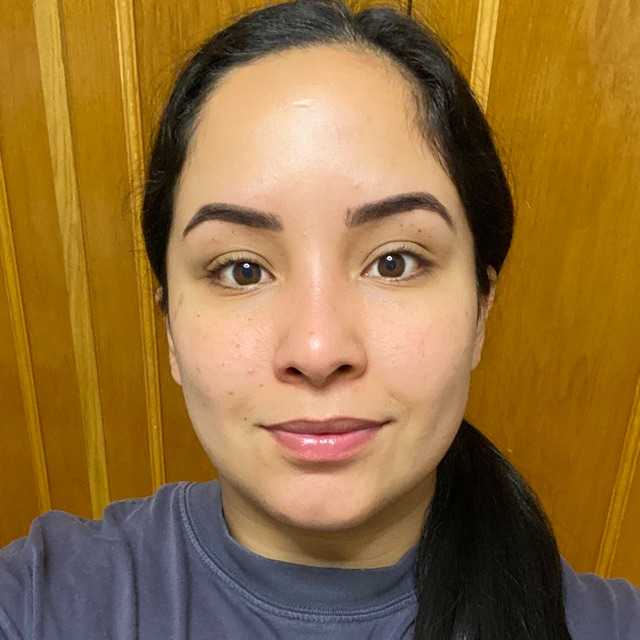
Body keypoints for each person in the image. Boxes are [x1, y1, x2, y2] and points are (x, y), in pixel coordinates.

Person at [1, 0, 639, 638]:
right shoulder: (42, 601)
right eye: (241, 270)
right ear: (169, 326)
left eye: (393, 262)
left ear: (481, 308)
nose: (316, 349)